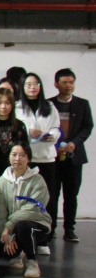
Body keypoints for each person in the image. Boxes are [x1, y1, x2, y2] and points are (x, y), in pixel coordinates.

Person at [15, 73, 60, 254]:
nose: (32, 87)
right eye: (28, 84)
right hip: (27, 159)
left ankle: (44, 239)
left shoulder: (49, 106)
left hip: (46, 158)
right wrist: (28, 132)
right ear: (23, 87)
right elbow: (15, 128)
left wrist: (52, 136)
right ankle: (23, 238)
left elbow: (56, 127)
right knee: (25, 198)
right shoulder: (18, 107)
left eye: (35, 84)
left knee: (48, 199)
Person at [0, 142, 52, 278]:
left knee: (23, 226)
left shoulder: (37, 180)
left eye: (22, 155)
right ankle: (19, 253)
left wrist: (9, 226)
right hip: (12, 229)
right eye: (14, 155)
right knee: (8, 253)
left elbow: (32, 208)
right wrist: (6, 236)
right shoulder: (1, 182)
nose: (17, 159)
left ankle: (32, 262)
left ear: (29, 158)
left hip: (37, 224)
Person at [49, 68, 91, 243]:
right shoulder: (49, 104)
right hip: (52, 157)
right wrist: (53, 144)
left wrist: (75, 143)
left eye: (71, 82)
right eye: (65, 82)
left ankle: (70, 230)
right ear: (56, 84)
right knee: (52, 195)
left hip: (74, 157)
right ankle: (50, 229)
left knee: (71, 195)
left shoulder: (82, 104)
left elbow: (87, 126)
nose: (69, 85)